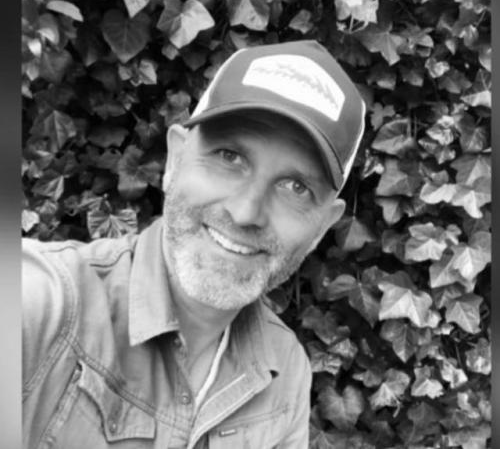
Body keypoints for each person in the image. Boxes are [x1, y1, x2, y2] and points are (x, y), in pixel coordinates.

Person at [22, 40, 365, 448]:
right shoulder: (41, 300)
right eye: (229, 156)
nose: (245, 212)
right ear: (175, 159)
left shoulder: (285, 371)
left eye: (296, 187)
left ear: (322, 227)